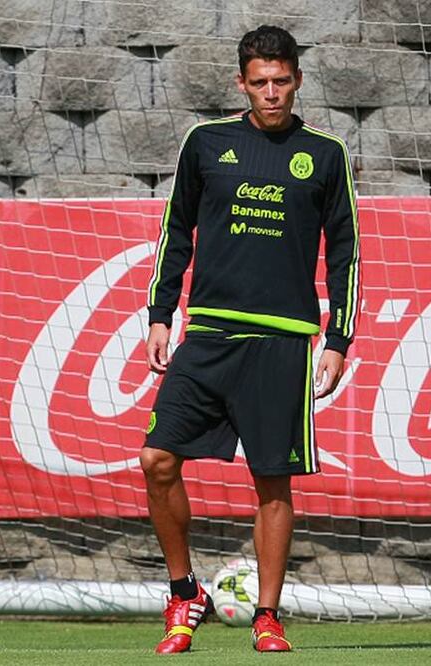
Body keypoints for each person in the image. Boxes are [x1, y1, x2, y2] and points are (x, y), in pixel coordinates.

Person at [140, 25, 360, 654]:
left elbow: (346, 252)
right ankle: (184, 592)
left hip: (284, 343)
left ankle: (267, 614)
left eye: (281, 81)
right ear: (242, 83)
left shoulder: (324, 153)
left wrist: (339, 338)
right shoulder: (206, 143)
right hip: (207, 335)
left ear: (297, 80)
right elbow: (175, 232)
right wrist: (160, 314)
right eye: (259, 82)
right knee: (156, 461)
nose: (271, 93)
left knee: (273, 483)